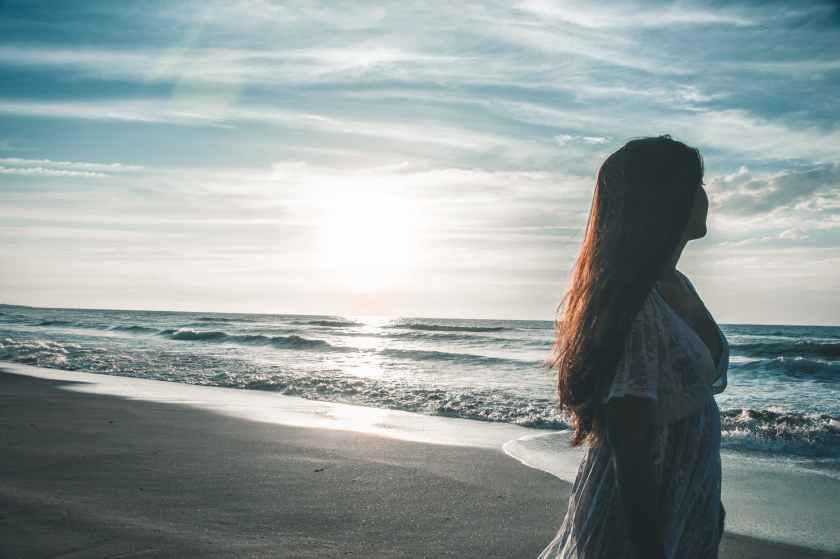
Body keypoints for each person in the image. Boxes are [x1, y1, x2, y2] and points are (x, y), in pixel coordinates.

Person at [538, 135, 729, 558]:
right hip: (641, 521)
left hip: (684, 499)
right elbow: (630, 442)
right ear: (664, 199)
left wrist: (706, 498)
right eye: (697, 183)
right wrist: (648, 546)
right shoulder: (638, 307)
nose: (705, 195)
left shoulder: (677, 285)